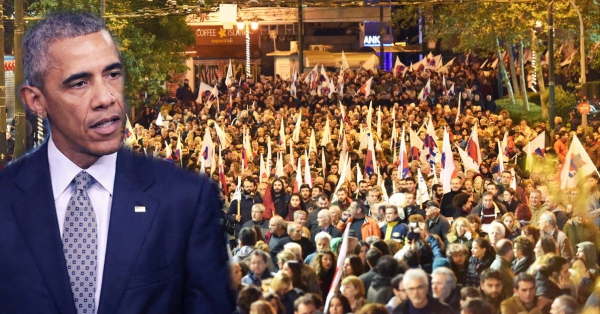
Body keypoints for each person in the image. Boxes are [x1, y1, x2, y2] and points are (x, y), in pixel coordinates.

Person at [0, 12, 234, 314]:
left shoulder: (184, 200)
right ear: (36, 101)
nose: (106, 97)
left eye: (112, 74)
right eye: (79, 83)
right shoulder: (6, 200)